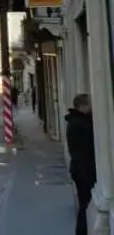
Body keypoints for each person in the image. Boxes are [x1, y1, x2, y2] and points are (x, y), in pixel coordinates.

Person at [66, 94, 96, 235]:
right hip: (84, 170)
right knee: (85, 204)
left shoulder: (76, 121)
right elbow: (90, 146)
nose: (92, 107)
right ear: (83, 106)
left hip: (79, 169)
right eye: (90, 104)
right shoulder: (81, 124)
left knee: (84, 203)